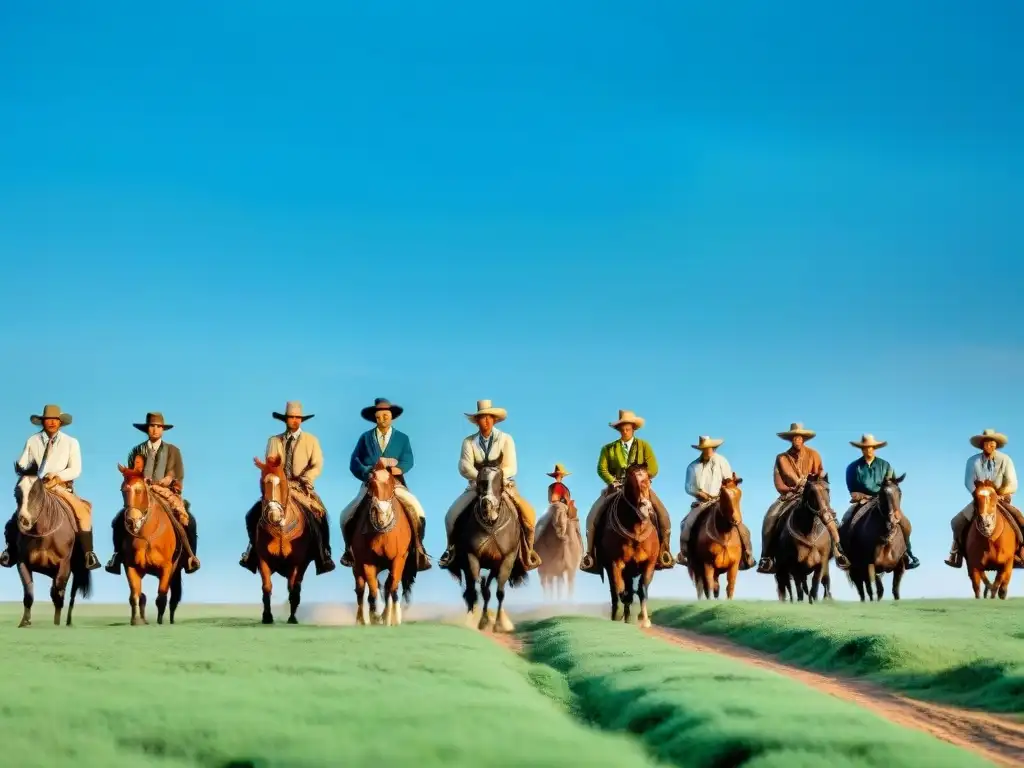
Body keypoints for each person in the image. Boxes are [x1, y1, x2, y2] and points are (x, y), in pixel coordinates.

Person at [437, 400, 541, 570]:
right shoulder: (468, 442)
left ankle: (528, 552)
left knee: (529, 515)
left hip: (503, 486)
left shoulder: (506, 439)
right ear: (477, 421)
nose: (485, 421)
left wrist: (495, 478)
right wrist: (482, 477)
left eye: (488, 418)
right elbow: (464, 466)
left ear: (494, 420)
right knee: (450, 516)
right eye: (481, 418)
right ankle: (451, 550)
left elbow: (511, 466)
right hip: (477, 486)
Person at [238, 402, 335, 575]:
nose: (295, 420)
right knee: (252, 515)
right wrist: (269, 471)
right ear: (286, 420)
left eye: (298, 417)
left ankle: (324, 555)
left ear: (302, 420)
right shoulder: (274, 441)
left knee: (320, 515)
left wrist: (307, 478)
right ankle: (251, 552)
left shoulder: (311, 440)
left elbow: (317, 464)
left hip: (301, 486)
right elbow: (271, 464)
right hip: (278, 486)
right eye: (292, 417)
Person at [1, 405, 101, 570]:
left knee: (83, 512)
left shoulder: (71, 442)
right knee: (17, 515)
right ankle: (11, 550)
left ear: (60, 422)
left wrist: (57, 476)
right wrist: (28, 472)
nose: (52, 423)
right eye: (48, 419)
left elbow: (76, 469)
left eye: (55, 419)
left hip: (60, 487)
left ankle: (88, 554)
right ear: (43, 422)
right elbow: (23, 463)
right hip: (37, 488)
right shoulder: (32, 441)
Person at [338, 398, 430, 571]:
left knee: (418, 510)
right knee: (346, 514)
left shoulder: (402, 438)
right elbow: (354, 461)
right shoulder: (365, 438)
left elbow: (408, 459)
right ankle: (348, 550)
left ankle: (419, 549)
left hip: (395, 484)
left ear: (392, 416)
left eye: (386, 415)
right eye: (379, 416)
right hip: (372, 483)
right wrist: (367, 472)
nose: (383, 419)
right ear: (375, 418)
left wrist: (400, 468)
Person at [105, 412, 200, 574]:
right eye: (152, 426)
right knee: (118, 521)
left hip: (166, 492)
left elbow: (178, 472)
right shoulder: (136, 451)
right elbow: (131, 475)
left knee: (188, 520)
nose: (155, 430)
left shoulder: (173, 451)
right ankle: (117, 556)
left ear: (163, 429)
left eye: (158, 426)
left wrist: (169, 479)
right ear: (147, 429)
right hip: (143, 493)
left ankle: (190, 557)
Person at [580, 410, 673, 574]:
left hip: (640, 487)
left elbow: (653, 467)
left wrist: (642, 479)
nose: (625, 431)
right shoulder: (608, 449)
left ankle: (664, 551)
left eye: (628, 428)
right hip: (616, 487)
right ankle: (590, 555)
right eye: (622, 428)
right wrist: (612, 481)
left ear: (633, 429)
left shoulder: (644, 446)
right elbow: (601, 468)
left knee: (663, 514)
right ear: (619, 430)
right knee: (592, 516)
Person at [757, 422, 849, 574]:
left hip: (812, 494)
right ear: (790, 439)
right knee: (771, 516)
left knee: (829, 515)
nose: (797, 440)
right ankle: (766, 556)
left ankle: (839, 550)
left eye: (799, 438)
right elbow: (782, 478)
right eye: (794, 438)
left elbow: (821, 474)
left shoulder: (814, 454)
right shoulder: (782, 458)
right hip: (790, 495)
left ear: (803, 439)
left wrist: (817, 482)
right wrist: (792, 487)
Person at [945, 428, 1024, 568]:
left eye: (993, 443)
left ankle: (1021, 552)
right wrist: (979, 494)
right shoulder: (973, 461)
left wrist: (999, 494)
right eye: (987, 442)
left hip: (1000, 498)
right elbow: (968, 481)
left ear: (996, 445)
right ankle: (955, 553)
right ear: (982, 445)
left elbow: (1013, 483)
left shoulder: (1005, 460)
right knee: (956, 522)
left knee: (1020, 519)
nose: (990, 445)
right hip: (980, 499)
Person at [840, 433, 919, 569]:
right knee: (846, 520)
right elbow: (852, 489)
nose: (868, 450)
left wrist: (894, 504)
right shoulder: (853, 467)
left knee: (904, 523)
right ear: (862, 449)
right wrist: (859, 496)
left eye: (871, 447)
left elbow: (892, 485)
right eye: (865, 447)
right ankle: (846, 554)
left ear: (874, 448)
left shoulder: (885, 465)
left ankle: (908, 553)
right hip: (863, 500)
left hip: (883, 500)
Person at [675, 436, 756, 569]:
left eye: (709, 448)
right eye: (704, 449)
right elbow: (688, 486)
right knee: (685, 524)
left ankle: (747, 555)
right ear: (701, 449)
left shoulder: (722, 461)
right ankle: (685, 554)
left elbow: (728, 480)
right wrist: (697, 492)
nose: (708, 451)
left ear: (713, 448)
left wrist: (730, 483)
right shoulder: (693, 466)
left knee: (739, 524)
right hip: (701, 502)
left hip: (720, 500)